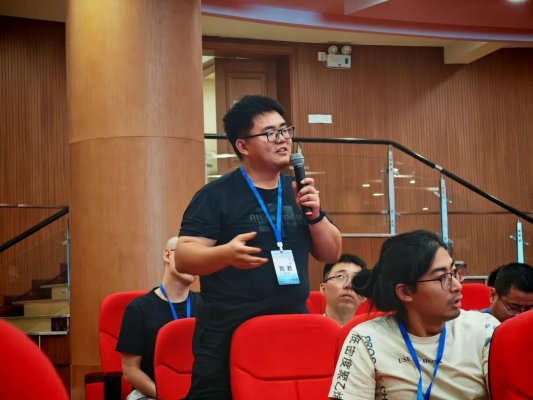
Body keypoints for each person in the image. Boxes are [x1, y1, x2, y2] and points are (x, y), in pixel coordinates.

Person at [176, 95, 342, 399]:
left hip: (290, 329)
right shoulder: (216, 194)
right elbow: (184, 256)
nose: (283, 139)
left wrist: (316, 215)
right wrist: (224, 254)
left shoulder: (298, 190)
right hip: (227, 333)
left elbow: (331, 253)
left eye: (285, 130)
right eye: (270, 133)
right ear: (243, 145)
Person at [329, 230, 500, 400]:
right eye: (442, 277)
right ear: (405, 292)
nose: (457, 286)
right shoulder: (366, 339)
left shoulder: (484, 330)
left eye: (454, 272)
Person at [116, 237, 200, 400]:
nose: (192, 264)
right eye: (187, 256)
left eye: (197, 260)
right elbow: (130, 371)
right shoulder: (138, 309)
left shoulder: (208, 307)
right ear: (167, 255)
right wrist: (166, 396)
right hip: (153, 394)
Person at [320, 254, 367, 326]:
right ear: (323, 289)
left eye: (357, 279)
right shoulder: (310, 329)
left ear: (364, 295)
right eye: (340, 276)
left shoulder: (370, 331)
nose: (349, 285)